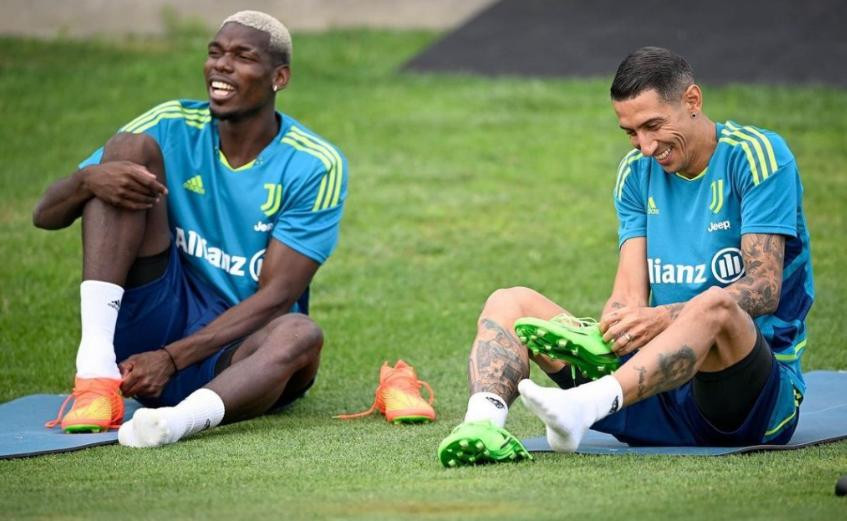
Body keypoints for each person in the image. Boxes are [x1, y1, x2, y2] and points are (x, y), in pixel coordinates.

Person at [437, 46, 813, 466]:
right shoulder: (635, 173)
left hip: (746, 405)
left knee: (716, 303)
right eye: (631, 132)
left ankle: (582, 407)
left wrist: (663, 318)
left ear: (692, 101)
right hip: (652, 389)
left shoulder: (757, 156)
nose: (646, 146)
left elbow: (762, 290)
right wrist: (608, 331)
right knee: (509, 301)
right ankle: (481, 426)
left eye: (653, 126)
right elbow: (628, 295)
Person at [34, 10, 347, 448]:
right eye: (215, 53)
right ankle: (95, 375)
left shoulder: (315, 163)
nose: (221, 65)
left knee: (300, 333)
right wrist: (86, 180)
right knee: (125, 153)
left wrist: (171, 359)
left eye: (241, 56)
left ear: (279, 77)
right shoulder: (168, 123)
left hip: (235, 354)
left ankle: (176, 423)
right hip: (156, 310)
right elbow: (45, 215)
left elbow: (276, 297)